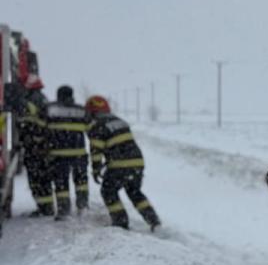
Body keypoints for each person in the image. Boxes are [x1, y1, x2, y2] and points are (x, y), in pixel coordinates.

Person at [84, 95, 160, 230]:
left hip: (120, 163)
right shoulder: (120, 121)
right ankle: (153, 220)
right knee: (134, 191)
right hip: (137, 161)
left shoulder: (96, 125)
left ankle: (120, 222)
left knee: (108, 191)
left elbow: (96, 152)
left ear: (91, 112)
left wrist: (95, 170)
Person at [45, 84, 90, 217]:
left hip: (58, 155)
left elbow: (42, 128)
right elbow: (90, 128)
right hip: (79, 154)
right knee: (81, 181)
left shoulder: (50, 109)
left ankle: (64, 209)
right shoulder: (82, 110)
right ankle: (82, 206)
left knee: (61, 183)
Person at [17, 75, 54, 216]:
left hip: (34, 147)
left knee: (35, 179)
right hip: (44, 147)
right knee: (44, 179)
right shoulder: (44, 99)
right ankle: (47, 206)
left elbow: (27, 124)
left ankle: (44, 208)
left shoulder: (29, 102)